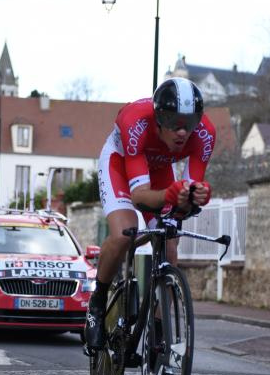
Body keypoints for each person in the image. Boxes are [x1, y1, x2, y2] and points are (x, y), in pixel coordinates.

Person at [84, 78, 215, 351]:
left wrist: (194, 197)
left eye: (189, 123)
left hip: (159, 169)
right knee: (124, 233)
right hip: (121, 163)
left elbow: (184, 204)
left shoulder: (205, 134)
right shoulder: (136, 123)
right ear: (158, 119)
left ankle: (157, 329)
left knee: (170, 245)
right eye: (174, 123)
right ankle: (97, 302)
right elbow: (140, 197)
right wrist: (171, 195)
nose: (182, 132)